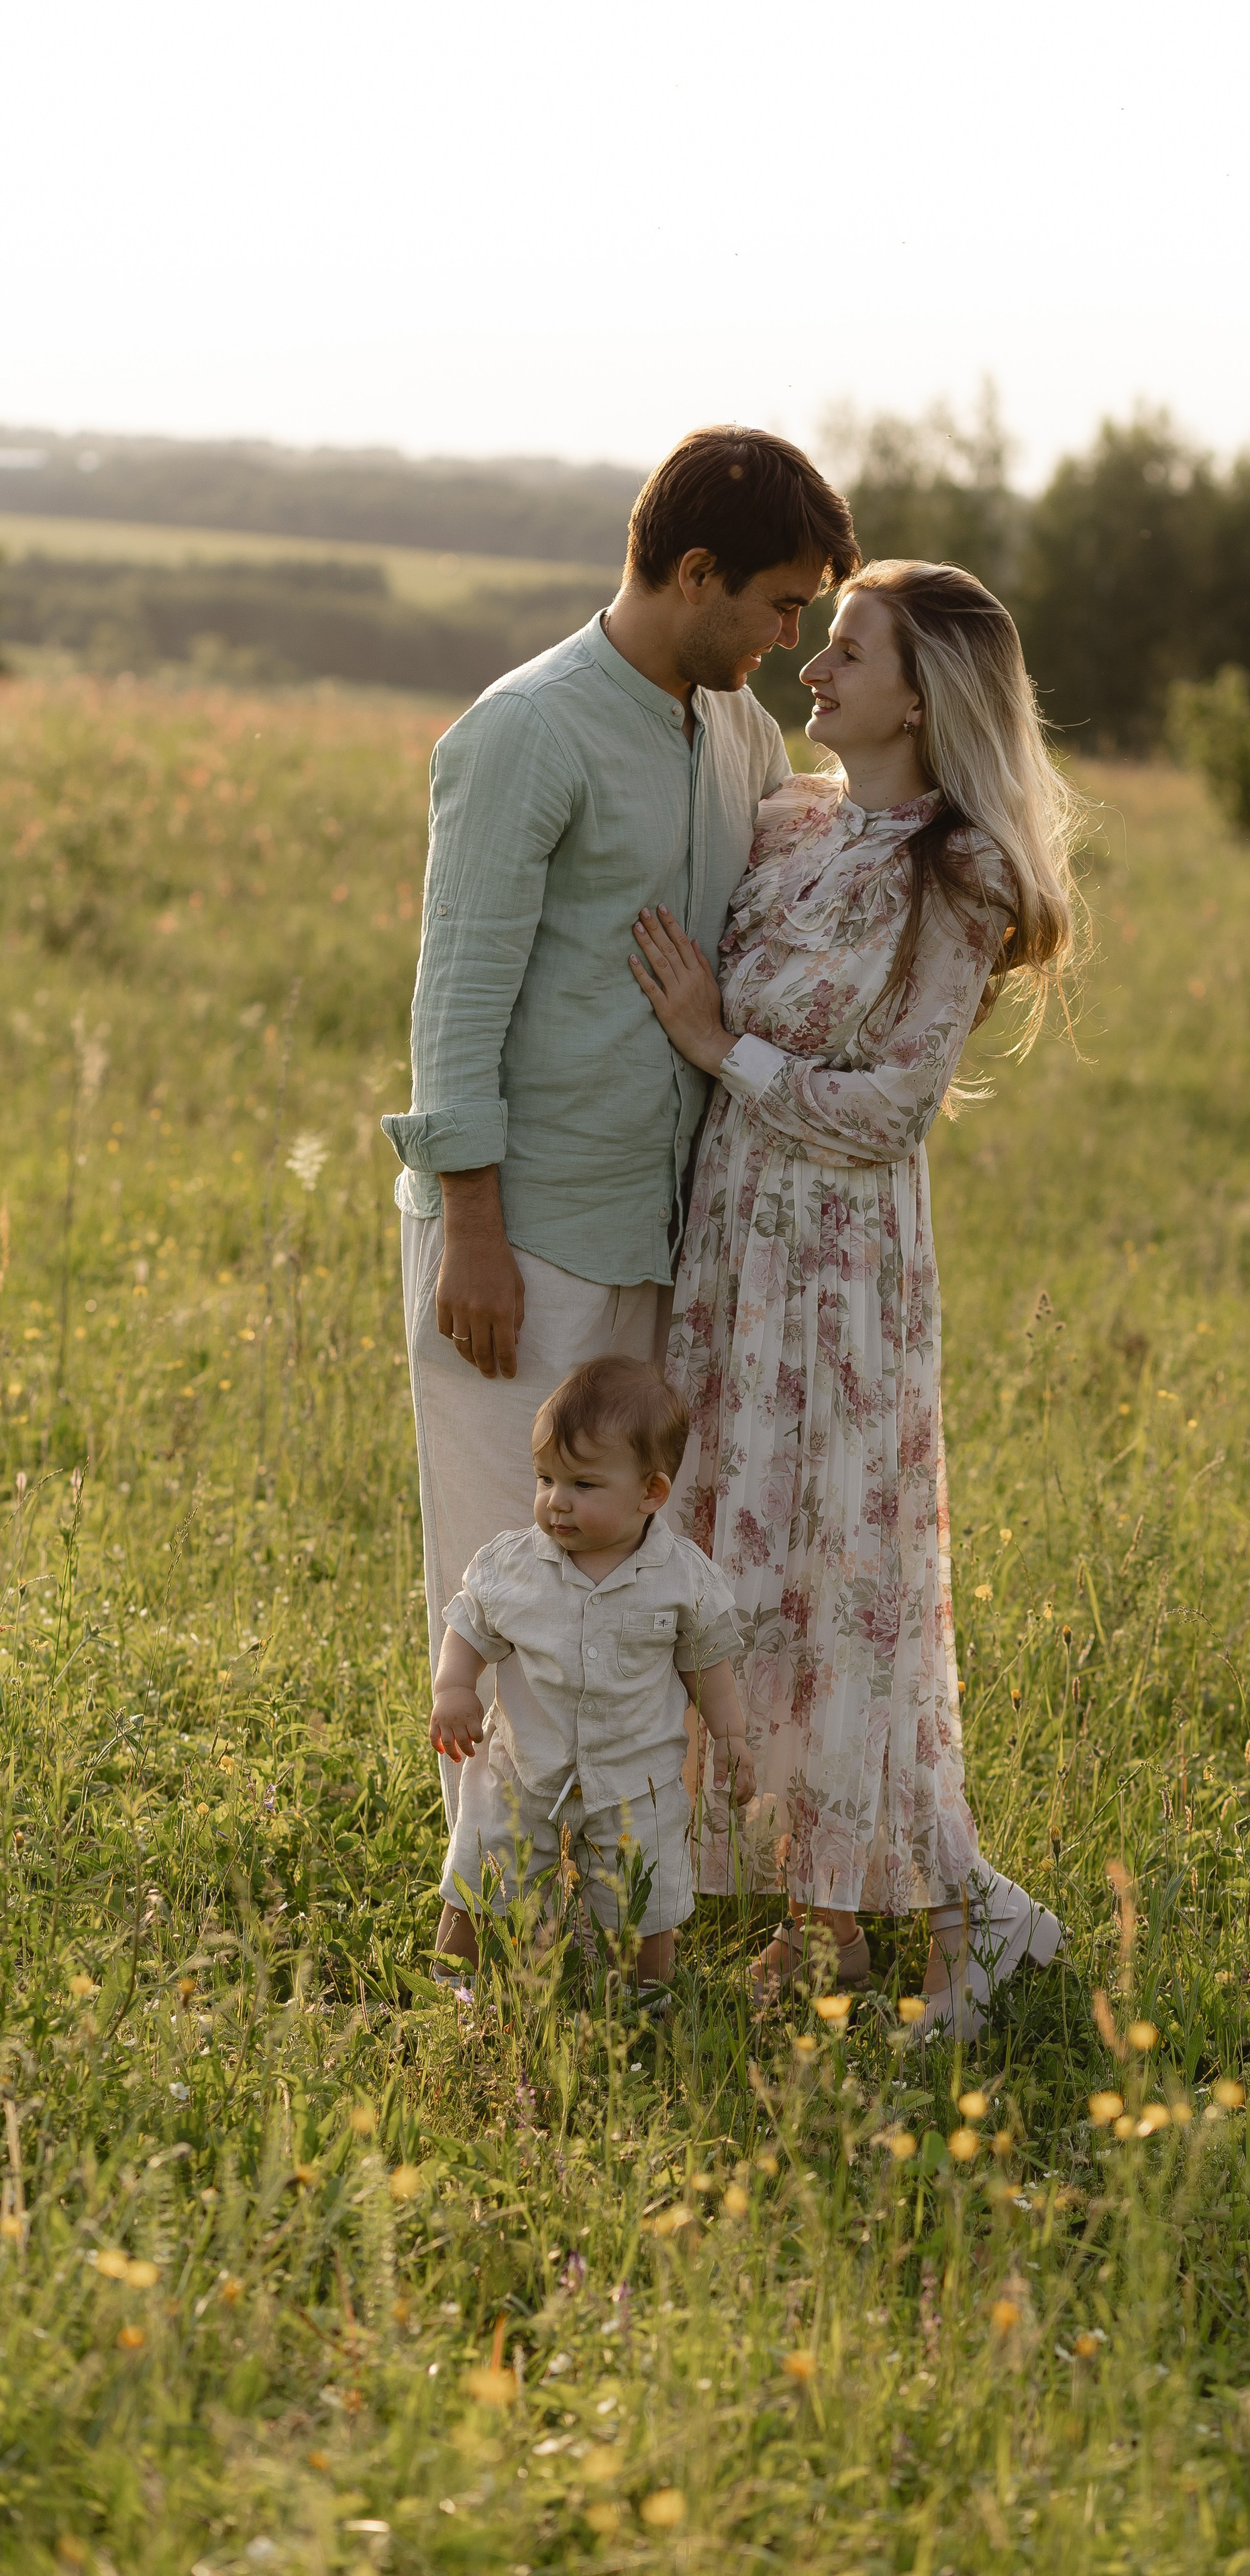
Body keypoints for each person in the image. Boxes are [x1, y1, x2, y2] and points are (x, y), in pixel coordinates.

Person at [381, 428, 858, 1837]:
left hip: (665, 1233)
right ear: (694, 570)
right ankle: (496, 1930)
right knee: (510, 1588)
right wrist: (471, 1231)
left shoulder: (738, 734)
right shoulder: (525, 727)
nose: (788, 638)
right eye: (776, 604)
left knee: (628, 1595)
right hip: (515, 1239)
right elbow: (455, 998)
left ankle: (616, 1899)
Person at [629, 559, 1082, 2035]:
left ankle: (932, 1914)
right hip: (733, 1245)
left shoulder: (961, 876)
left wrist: (716, 1048)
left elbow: (890, 1109)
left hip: (839, 1269)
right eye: (817, 646)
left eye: (844, 651)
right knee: (734, 1560)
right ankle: (811, 1909)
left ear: (920, 692)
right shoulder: (791, 822)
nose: (810, 672)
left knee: (841, 1572)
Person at [429, 1354, 754, 1989]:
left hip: (638, 1781)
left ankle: (645, 1996)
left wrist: (733, 1735)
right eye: (545, 1479)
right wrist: (453, 1687)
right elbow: (469, 1626)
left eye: (582, 1485)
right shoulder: (515, 1566)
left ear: (651, 1493)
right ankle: (450, 1985)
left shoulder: (682, 1578)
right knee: (481, 1872)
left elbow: (706, 1666)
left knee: (645, 1898)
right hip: (521, 1771)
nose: (556, 1502)